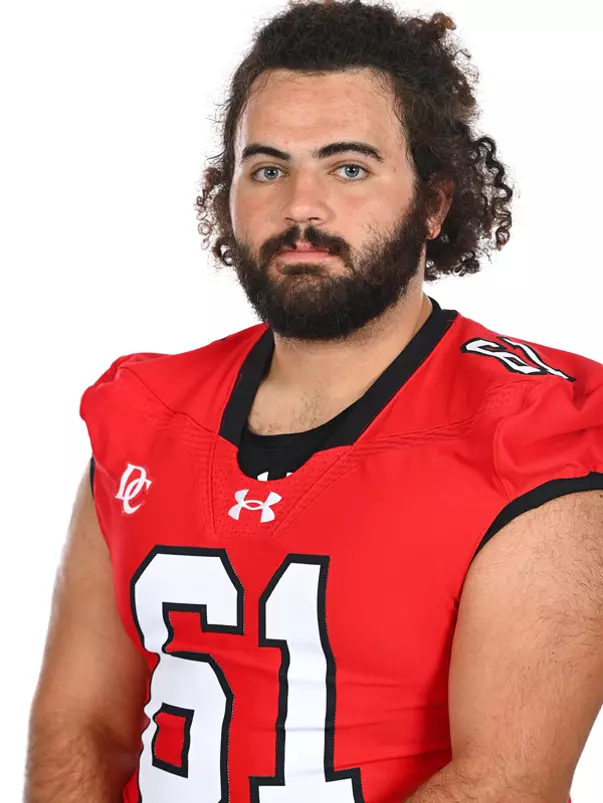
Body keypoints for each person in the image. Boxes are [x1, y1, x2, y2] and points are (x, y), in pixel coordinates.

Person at [25, 2, 603, 802]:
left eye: (348, 168)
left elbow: (506, 781)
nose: (301, 207)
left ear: (434, 203)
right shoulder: (144, 411)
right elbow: (81, 727)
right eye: (267, 169)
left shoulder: (535, 433)